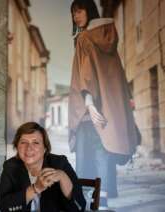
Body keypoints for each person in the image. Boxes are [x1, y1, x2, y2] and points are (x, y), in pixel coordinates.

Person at [68, 0, 140, 209]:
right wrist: (125, 100)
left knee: (87, 151)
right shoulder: (109, 35)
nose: (75, 16)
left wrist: (89, 103)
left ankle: (90, 198)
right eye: (73, 12)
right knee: (105, 149)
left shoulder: (84, 38)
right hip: (109, 106)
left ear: (89, 11)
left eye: (79, 10)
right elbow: (118, 72)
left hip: (88, 108)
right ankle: (105, 197)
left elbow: (85, 74)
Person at [0, 122, 86, 212]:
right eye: (23, 142)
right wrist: (36, 188)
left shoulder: (60, 163)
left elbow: (79, 207)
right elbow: (4, 206)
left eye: (35, 143)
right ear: (17, 147)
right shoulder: (10, 166)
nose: (29, 148)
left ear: (45, 148)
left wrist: (63, 176)